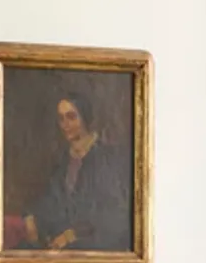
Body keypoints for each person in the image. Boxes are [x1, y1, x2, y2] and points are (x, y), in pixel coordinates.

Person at [23, 87, 131, 252]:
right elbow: (51, 201)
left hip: (94, 245)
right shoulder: (63, 161)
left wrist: (72, 235)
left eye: (71, 117)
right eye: (61, 118)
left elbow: (113, 216)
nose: (65, 125)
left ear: (85, 118)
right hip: (59, 243)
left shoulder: (106, 159)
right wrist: (30, 217)